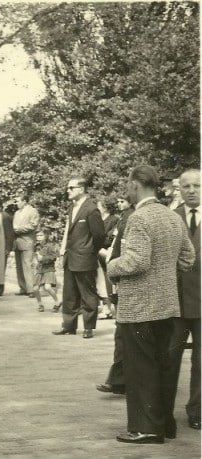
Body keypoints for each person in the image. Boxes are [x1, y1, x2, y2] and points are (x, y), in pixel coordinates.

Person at [107, 165, 195, 444]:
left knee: (140, 369)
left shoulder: (139, 218)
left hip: (139, 308)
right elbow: (188, 258)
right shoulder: (173, 217)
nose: (127, 190)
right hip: (167, 306)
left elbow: (136, 261)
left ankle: (146, 428)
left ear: (135, 184)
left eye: (128, 185)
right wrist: (164, 273)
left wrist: (110, 264)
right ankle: (165, 424)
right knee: (162, 367)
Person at [168, 169, 201, 431]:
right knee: (169, 359)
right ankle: (163, 414)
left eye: (197, 185)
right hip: (175, 304)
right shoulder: (171, 218)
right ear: (179, 189)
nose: (191, 190)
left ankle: (197, 411)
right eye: (186, 186)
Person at [53, 177, 105, 339]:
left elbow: (99, 235)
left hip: (85, 258)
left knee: (87, 294)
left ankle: (88, 327)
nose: (67, 191)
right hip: (70, 258)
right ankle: (69, 326)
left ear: (81, 189)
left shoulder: (91, 209)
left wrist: (89, 251)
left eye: (71, 188)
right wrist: (63, 252)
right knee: (69, 294)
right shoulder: (72, 208)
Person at [95, 194, 133, 395]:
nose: (120, 204)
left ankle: (121, 380)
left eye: (122, 200)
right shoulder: (125, 217)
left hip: (127, 280)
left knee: (124, 333)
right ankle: (119, 379)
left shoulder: (131, 217)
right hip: (121, 279)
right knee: (122, 333)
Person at [12, 194, 39, 296]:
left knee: (28, 264)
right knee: (19, 266)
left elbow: (33, 225)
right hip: (17, 241)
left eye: (18, 201)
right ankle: (23, 287)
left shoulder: (33, 211)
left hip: (27, 240)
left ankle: (31, 289)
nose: (16, 203)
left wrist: (19, 229)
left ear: (24, 201)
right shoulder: (16, 213)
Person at [31, 228, 59, 312]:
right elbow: (35, 256)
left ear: (46, 236)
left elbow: (54, 257)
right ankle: (40, 304)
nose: (38, 237)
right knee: (35, 288)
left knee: (47, 287)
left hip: (48, 268)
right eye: (37, 235)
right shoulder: (36, 245)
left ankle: (57, 302)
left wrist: (43, 258)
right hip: (39, 268)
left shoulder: (51, 245)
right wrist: (34, 261)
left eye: (41, 235)